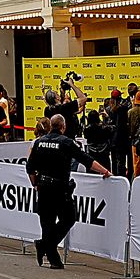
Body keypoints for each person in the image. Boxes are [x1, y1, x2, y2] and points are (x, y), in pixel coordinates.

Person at [25, 114, 111, 269]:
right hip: (59, 189)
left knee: (47, 222)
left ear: (51, 126)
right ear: (63, 127)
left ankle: (50, 254)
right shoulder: (66, 142)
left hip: (43, 188)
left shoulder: (38, 143)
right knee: (69, 218)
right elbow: (87, 160)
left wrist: (35, 184)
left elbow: (29, 167)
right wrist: (105, 171)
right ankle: (47, 248)